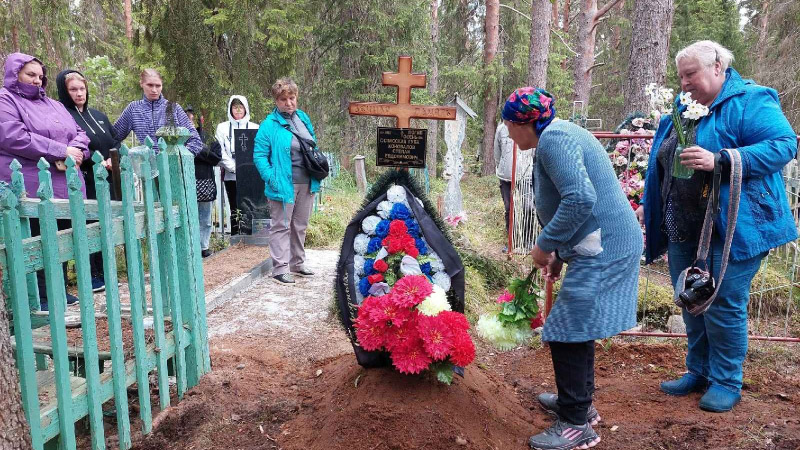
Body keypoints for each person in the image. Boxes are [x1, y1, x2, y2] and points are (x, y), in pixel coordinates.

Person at [639, 41, 797, 413]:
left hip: (737, 226)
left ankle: (726, 379)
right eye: (680, 76)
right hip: (685, 224)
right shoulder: (684, 108)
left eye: (690, 74)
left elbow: (784, 145)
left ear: (717, 67)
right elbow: (664, 156)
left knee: (723, 303)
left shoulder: (750, 101)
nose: (684, 82)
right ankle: (699, 370)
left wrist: (722, 159)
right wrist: (652, 202)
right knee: (690, 297)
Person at [503, 87, 642, 450]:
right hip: (595, 244)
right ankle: (577, 405)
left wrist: (545, 244)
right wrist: (561, 255)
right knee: (575, 326)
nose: (508, 134)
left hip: (606, 247)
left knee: (566, 328)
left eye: (508, 126)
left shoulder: (555, 140)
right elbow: (578, 201)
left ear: (526, 122)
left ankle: (576, 424)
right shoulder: (557, 134)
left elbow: (580, 198)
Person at [0, 52, 91, 310]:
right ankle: (39, 296)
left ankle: (59, 289)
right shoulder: (5, 100)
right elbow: (13, 136)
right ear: (14, 73)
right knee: (37, 240)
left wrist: (76, 149)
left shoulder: (54, 104)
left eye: (40, 76)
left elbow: (80, 132)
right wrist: (60, 151)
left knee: (61, 238)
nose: (37, 80)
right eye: (31, 74)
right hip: (29, 184)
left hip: (63, 182)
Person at [56, 69, 118, 292]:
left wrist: (113, 159)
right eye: (73, 89)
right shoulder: (63, 117)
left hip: (107, 179)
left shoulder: (99, 116)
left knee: (105, 226)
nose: (79, 93)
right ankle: (90, 274)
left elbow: (115, 141)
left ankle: (104, 271)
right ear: (64, 91)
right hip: (84, 179)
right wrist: (94, 162)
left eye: (82, 89)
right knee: (87, 226)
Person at [254, 78, 319, 284]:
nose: (288, 103)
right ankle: (280, 268)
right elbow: (259, 156)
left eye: (292, 98)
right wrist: (272, 178)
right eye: (283, 99)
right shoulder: (268, 125)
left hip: (307, 181)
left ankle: (297, 263)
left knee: (300, 225)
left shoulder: (303, 118)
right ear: (276, 100)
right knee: (281, 226)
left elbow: (311, 146)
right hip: (282, 183)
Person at [112, 69, 203, 156]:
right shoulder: (133, 109)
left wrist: (181, 157)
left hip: (174, 168)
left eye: (158, 86)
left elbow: (196, 141)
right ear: (141, 84)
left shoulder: (173, 108)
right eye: (150, 85)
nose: (154, 90)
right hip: (146, 167)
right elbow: (113, 138)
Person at [215, 95, 259, 235]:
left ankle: (250, 237)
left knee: (249, 207)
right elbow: (220, 152)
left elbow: (259, 150)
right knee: (234, 208)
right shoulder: (222, 128)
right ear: (230, 109)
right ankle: (235, 237)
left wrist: (247, 169)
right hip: (231, 175)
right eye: (235, 107)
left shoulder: (255, 127)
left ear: (245, 108)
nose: (238, 110)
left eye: (241, 107)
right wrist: (235, 168)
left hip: (250, 176)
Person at [186, 105, 221, 258]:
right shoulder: (180, 136)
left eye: (193, 114)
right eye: (188, 114)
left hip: (205, 181)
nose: (191, 118)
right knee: (186, 218)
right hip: (186, 181)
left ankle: (203, 247)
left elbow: (216, 158)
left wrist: (197, 150)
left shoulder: (208, 136)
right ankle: (189, 247)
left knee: (205, 218)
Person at [494, 120, 534, 251]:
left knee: (528, 207)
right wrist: (502, 166)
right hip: (506, 176)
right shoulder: (502, 129)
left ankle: (528, 241)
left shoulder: (531, 125)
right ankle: (512, 241)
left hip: (526, 175)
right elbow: (497, 152)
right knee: (510, 209)